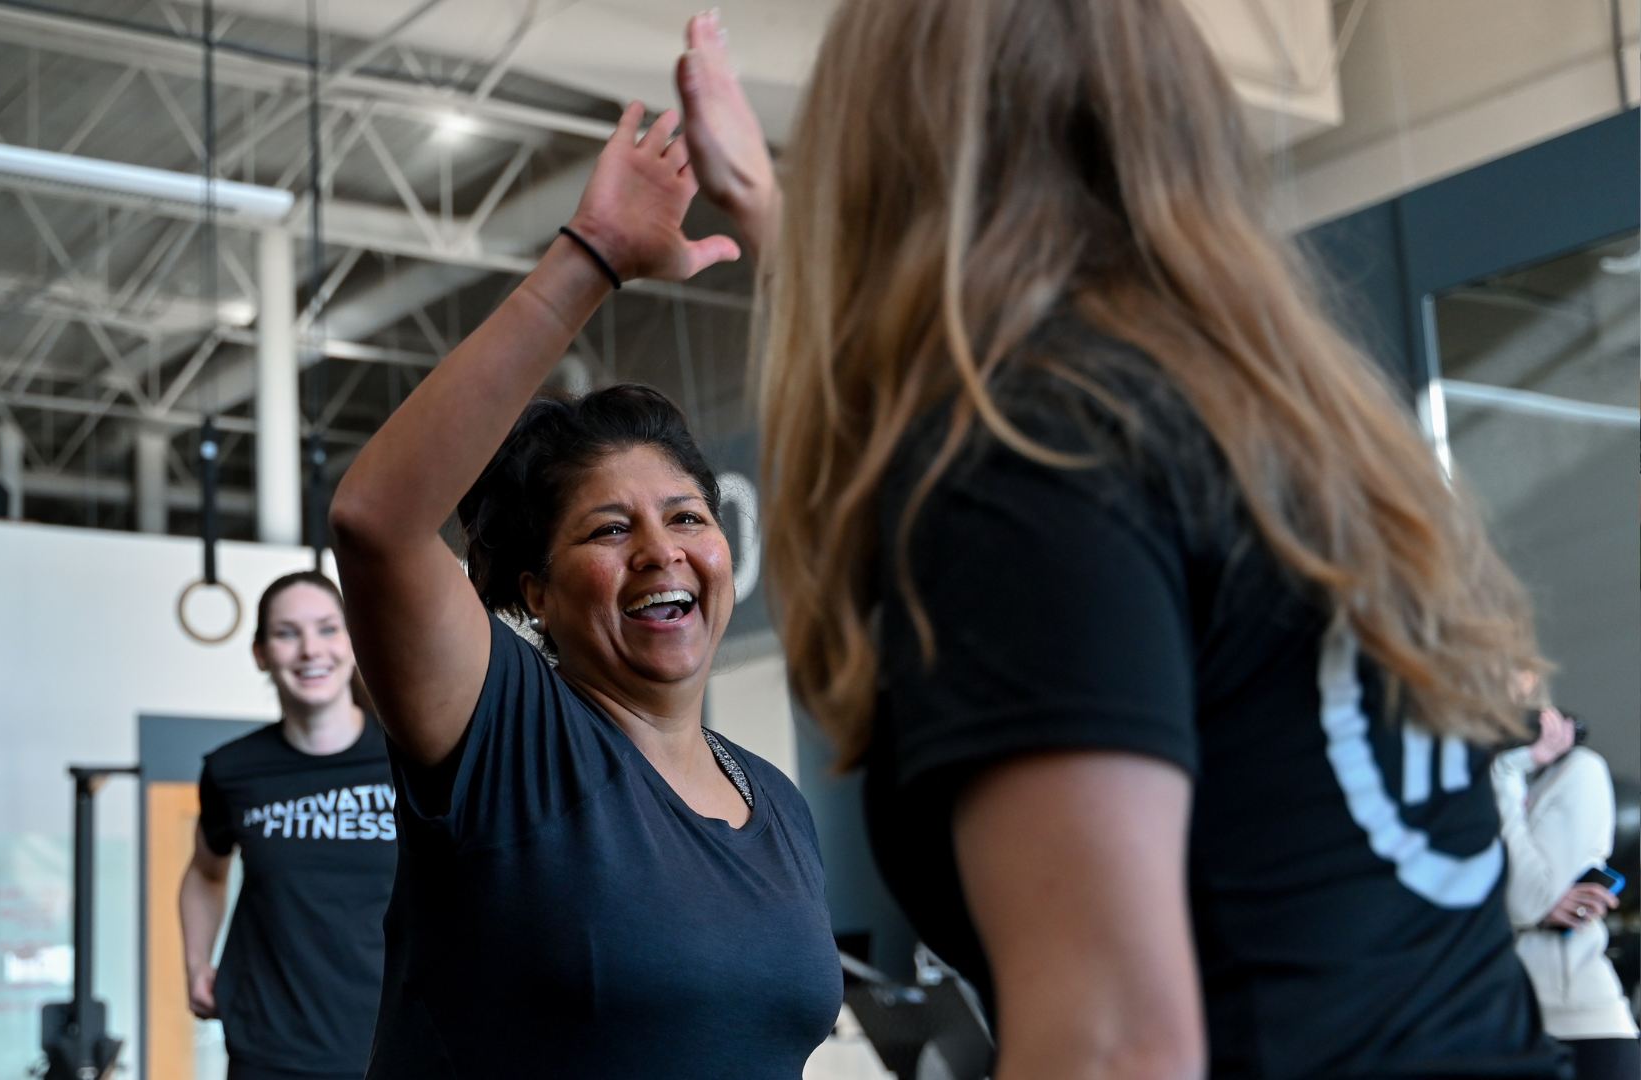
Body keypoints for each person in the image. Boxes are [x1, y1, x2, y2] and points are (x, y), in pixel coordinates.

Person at [676, 2, 1566, 1077]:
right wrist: (770, 221)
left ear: (885, 145)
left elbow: (1114, 1049)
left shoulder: (1034, 459)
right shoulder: (1284, 423)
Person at [327, 102, 841, 1078]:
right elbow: (376, 523)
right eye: (611, 530)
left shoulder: (774, 803)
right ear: (534, 591)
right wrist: (592, 258)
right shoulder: (505, 732)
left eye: (686, 517)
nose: (663, 552)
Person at [178, 571, 397, 1080]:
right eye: (286, 633)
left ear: (353, 640)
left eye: (326, 628)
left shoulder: (407, 760)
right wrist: (195, 963)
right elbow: (205, 872)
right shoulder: (232, 770)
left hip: (392, 1042)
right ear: (260, 653)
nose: (309, 650)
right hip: (270, 1047)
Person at [1494, 702, 1638, 1080]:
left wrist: (1506, 771)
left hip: (1577, 1022)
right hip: (1496, 1017)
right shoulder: (1479, 789)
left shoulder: (1578, 771)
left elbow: (1526, 900)